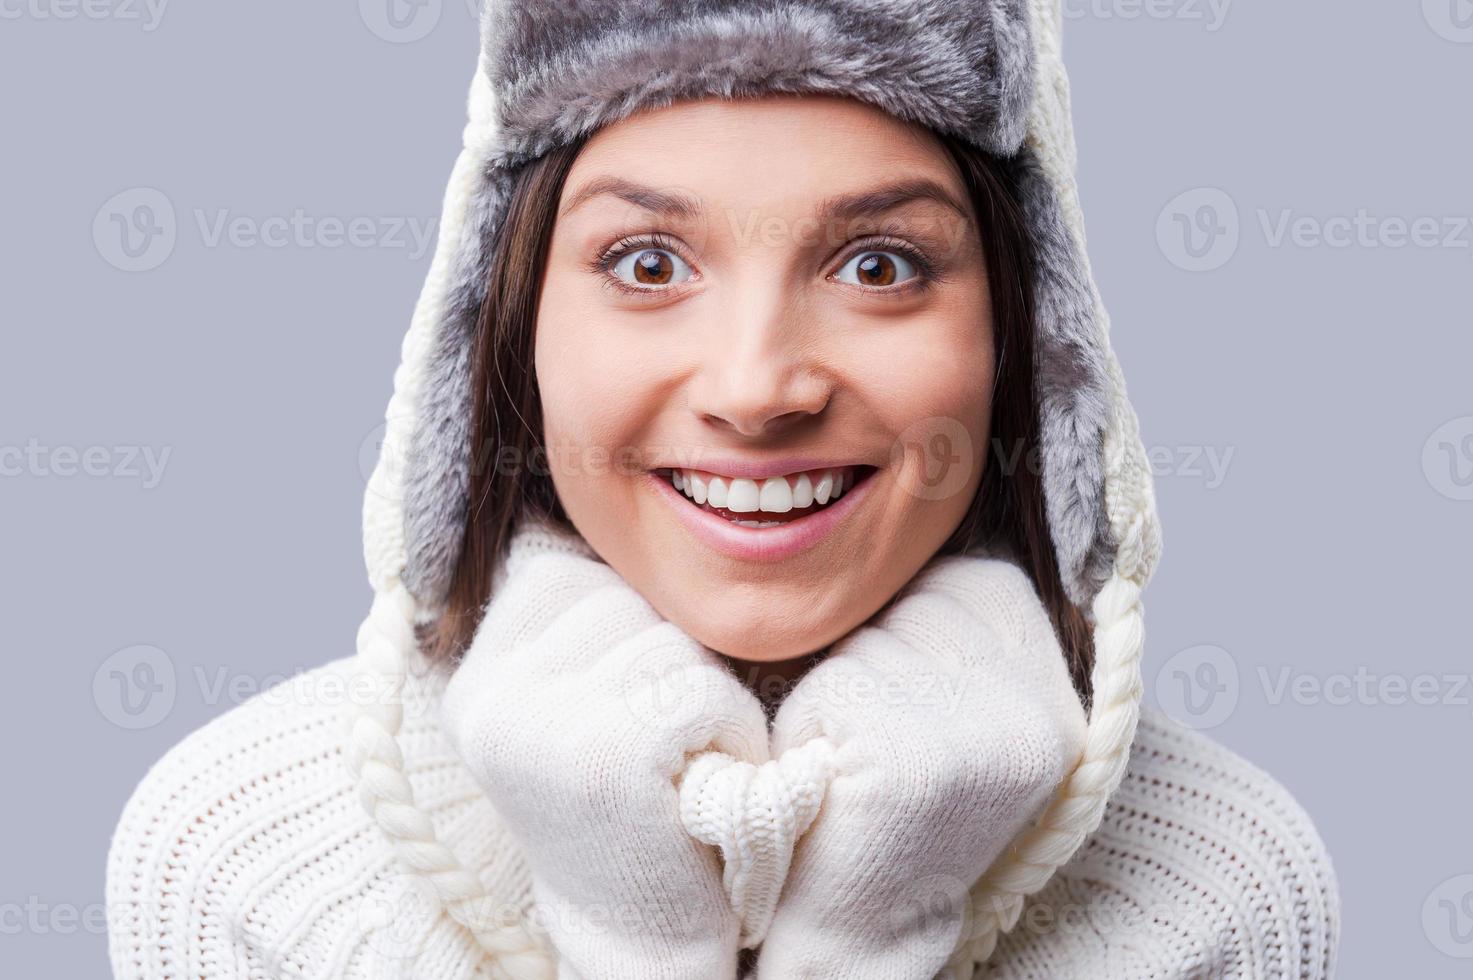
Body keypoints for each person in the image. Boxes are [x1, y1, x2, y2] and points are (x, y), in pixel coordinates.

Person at [105, 1, 1340, 977]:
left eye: (879, 262)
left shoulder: (1216, 889)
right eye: (647, 261)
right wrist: (625, 924)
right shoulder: (244, 861)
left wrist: (872, 929)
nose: (758, 388)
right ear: (510, 320)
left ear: (1026, 336)